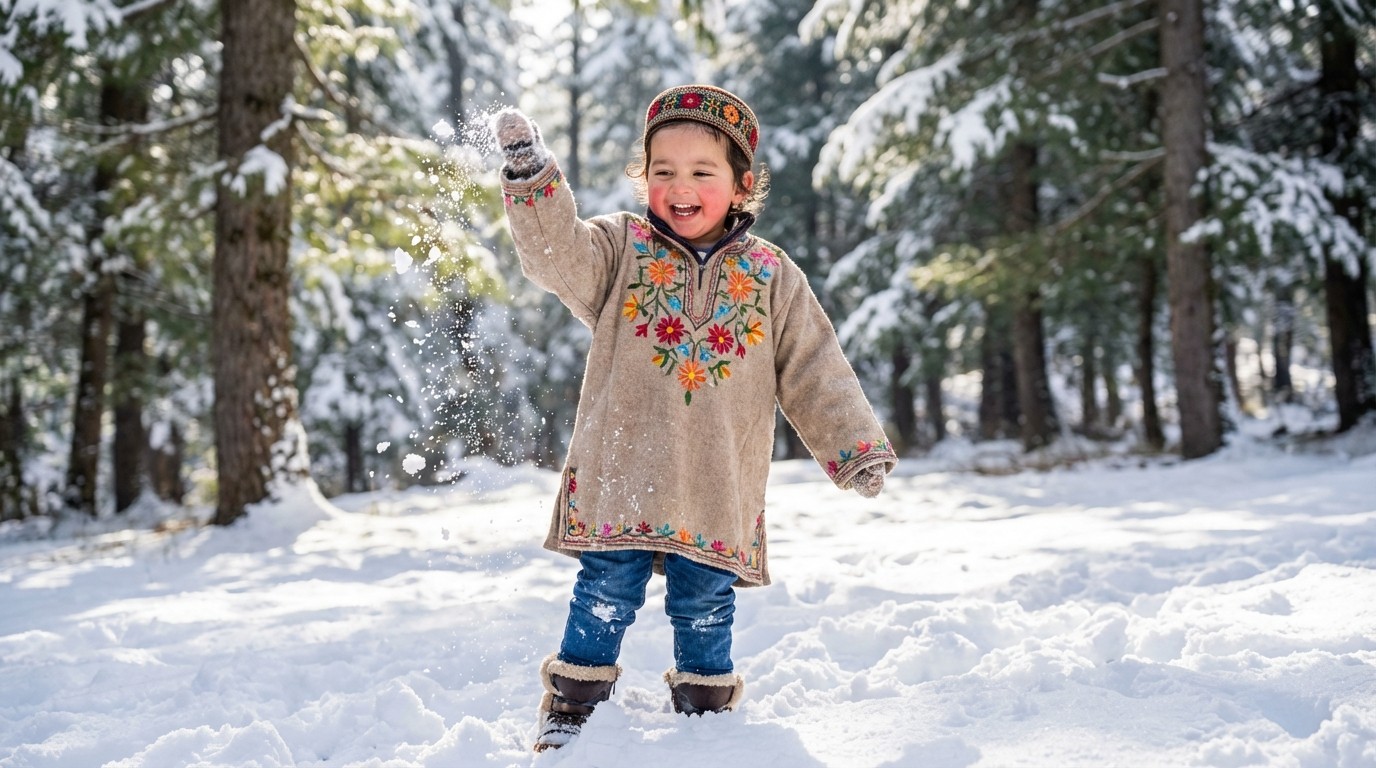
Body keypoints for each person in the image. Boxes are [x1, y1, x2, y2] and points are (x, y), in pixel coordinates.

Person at [490, 84, 897, 752]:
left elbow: (814, 365)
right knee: (605, 589)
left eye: (702, 172)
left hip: (716, 478)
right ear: (643, 178)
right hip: (623, 467)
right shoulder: (621, 253)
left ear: (741, 185)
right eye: (663, 172)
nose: (680, 187)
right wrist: (531, 173)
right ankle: (572, 706)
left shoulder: (770, 275)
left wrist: (853, 447)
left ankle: (707, 710)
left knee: (705, 601)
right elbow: (555, 254)